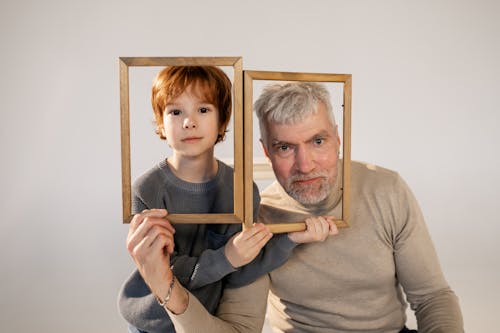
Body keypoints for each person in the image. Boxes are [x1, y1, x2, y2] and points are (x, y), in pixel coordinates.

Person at [131, 81, 464, 333]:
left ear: (338, 138)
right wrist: (165, 287)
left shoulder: (386, 188)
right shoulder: (255, 218)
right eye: (285, 147)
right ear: (266, 151)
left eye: (318, 142)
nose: (305, 165)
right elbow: (237, 329)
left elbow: (432, 297)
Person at [118, 68, 339, 333]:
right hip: (152, 320)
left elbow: (243, 269)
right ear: (161, 123)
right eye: (176, 112)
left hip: (204, 321)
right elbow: (161, 269)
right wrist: (227, 257)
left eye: (203, 110)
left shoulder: (241, 188)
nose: (189, 122)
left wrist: (290, 240)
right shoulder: (147, 188)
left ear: (222, 121)